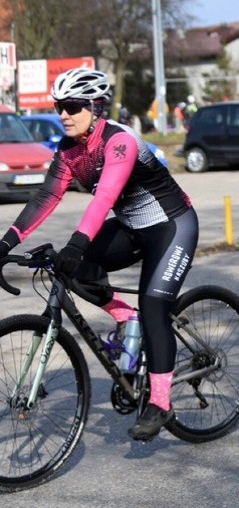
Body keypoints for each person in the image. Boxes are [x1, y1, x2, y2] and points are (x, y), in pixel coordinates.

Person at [0, 68, 198, 441]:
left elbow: (105, 196)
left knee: (154, 306)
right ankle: (127, 320)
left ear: (94, 106)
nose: (63, 115)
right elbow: (46, 197)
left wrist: (77, 244)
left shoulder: (119, 142)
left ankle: (160, 401)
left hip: (173, 226)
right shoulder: (69, 150)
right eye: (59, 106)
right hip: (132, 228)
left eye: (72, 106)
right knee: (70, 270)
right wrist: (6, 243)